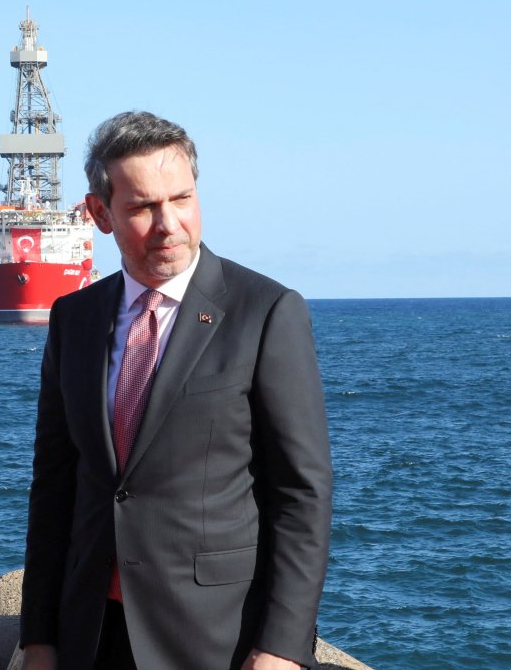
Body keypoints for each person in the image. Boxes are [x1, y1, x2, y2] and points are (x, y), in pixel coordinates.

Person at [19, 111, 332, 670]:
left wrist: (282, 646)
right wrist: (38, 635)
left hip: (215, 636)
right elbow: (54, 486)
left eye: (181, 199)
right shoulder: (75, 319)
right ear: (99, 213)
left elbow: (302, 493)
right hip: (90, 634)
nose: (169, 223)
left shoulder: (266, 312)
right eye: (142, 207)